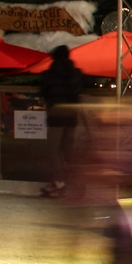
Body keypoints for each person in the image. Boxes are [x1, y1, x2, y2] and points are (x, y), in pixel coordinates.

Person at [39, 44, 87, 198]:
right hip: (71, 114)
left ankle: (59, 182)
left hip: (56, 115)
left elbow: (43, 91)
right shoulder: (76, 73)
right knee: (68, 150)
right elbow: (87, 83)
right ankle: (78, 181)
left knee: (54, 150)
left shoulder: (49, 74)